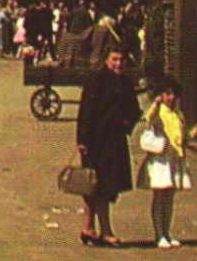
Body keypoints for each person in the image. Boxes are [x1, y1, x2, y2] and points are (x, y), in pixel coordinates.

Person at [75, 48, 141, 247]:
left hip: (115, 140)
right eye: (114, 59)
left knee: (98, 184)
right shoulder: (97, 79)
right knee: (98, 184)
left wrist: (126, 123)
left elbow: (135, 110)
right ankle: (105, 231)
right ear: (106, 60)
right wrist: (82, 140)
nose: (118, 64)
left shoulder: (125, 82)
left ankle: (88, 228)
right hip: (96, 141)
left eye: (121, 60)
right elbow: (86, 111)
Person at [135, 78, 191, 248]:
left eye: (174, 94)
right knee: (160, 197)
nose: (171, 98)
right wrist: (155, 103)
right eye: (167, 94)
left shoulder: (178, 114)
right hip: (160, 161)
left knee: (169, 199)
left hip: (174, 159)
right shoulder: (158, 112)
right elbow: (147, 119)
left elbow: (184, 137)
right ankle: (159, 234)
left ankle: (167, 232)